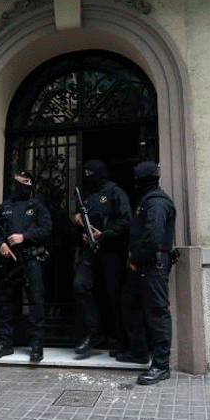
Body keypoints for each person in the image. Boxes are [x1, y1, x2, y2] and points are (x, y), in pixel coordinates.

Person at [121, 161, 176, 385]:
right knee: (128, 302)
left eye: (137, 179)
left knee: (157, 313)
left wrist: (136, 258)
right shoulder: (148, 201)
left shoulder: (157, 203)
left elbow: (153, 237)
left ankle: (161, 366)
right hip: (145, 265)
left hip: (152, 265)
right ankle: (140, 351)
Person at [0, 170, 52, 363]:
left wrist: (24, 237)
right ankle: (5, 343)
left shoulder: (38, 207)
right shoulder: (4, 207)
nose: (23, 184)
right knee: (6, 302)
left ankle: (36, 345)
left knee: (36, 302)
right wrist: (1, 244)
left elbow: (46, 229)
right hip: (9, 260)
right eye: (20, 181)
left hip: (31, 259)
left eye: (27, 181)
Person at [72, 160, 131, 357]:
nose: (88, 175)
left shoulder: (115, 193)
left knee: (114, 296)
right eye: (85, 171)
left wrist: (103, 234)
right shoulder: (87, 195)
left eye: (91, 171)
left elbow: (126, 221)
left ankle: (122, 341)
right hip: (90, 250)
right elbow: (84, 220)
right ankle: (94, 332)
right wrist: (79, 220)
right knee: (80, 285)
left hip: (111, 250)